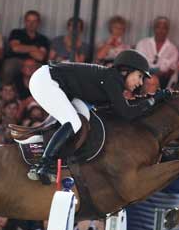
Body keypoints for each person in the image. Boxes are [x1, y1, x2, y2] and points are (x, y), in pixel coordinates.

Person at [28, 49, 164, 184]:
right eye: (139, 76)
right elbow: (127, 113)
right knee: (74, 122)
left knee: (84, 116)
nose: (140, 83)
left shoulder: (113, 80)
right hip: (45, 81)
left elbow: (120, 111)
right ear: (126, 70)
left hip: (55, 83)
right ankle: (43, 165)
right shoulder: (112, 79)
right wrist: (153, 100)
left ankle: (63, 158)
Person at [136, 16, 179, 86]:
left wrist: (161, 74)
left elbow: (172, 69)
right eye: (158, 27)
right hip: (142, 78)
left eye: (164, 28)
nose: (161, 31)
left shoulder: (173, 49)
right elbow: (137, 62)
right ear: (154, 29)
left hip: (162, 81)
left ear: (168, 30)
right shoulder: (142, 43)